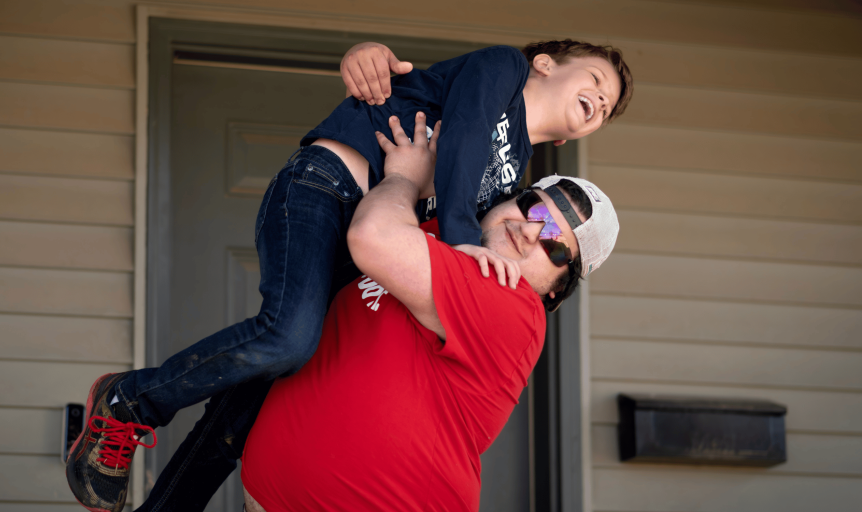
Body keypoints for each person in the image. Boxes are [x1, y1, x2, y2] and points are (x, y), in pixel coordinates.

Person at [66, 39, 633, 512]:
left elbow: (435, 221)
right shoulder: (503, 69)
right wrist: (369, 57)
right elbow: (459, 131)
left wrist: (454, 225)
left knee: (245, 405)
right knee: (287, 336)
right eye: (595, 81)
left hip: (358, 235)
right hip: (329, 183)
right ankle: (131, 401)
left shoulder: (507, 189)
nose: (600, 102)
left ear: (567, 141)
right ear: (546, 63)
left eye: (607, 109)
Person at [239, 113, 620, 512]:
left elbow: (373, 237)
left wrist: (403, 178)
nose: (529, 231)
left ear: (557, 290)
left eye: (555, 246)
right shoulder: (432, 231)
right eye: (533, 209)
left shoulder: (515, 304)